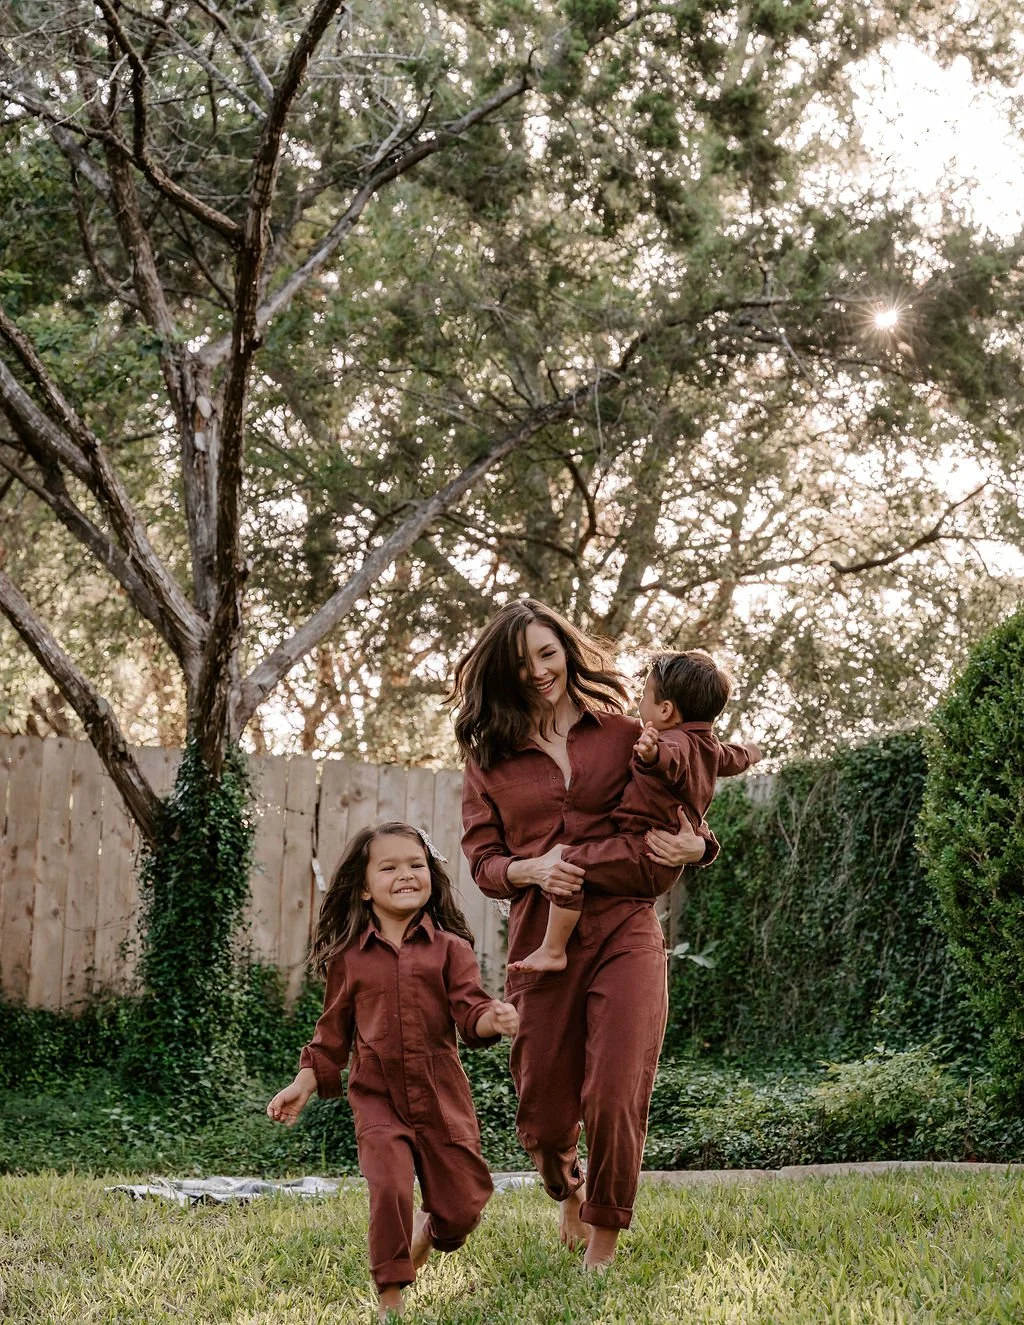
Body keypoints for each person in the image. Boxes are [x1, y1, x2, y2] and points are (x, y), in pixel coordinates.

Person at [451, 599, 713, 1271]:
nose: (539, 671)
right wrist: (530, 866)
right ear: (501, 675)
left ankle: (602, 1241)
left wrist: (697, 848)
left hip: (626, 925)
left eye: (547, 652)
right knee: (541, 1109)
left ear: (566, 650)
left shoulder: (626, 733)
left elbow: (688, 800)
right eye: (522, 662)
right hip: (542, 939)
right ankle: (562, 1183)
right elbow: (481, 861)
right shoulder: (489, 759)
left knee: (616, 1086)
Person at [267, 821, 518, 1321]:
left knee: (463, 1207)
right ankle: (391, 1298)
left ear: (431, 876)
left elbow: (470, 1009)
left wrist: (493, 1017)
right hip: (377, 1094)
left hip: (441, 1095)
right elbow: (332, 1034)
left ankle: (429, 1232)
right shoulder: (349, 958)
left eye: (416, 865)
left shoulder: (451, 949)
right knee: (389, 1187)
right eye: (389, 867)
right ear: (363, 888)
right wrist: (304, 1082)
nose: (406, 874)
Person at [509, 648, 762, 974]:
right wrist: (752, 753)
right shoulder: (712, 748)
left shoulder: (674, 743)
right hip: (655, 858)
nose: (639, 703)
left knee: (566, 861)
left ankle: (553, 949)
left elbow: (672, 762)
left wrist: (652, 753)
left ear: (666, 710)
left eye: (645, 696)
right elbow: (734, 758)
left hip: (642, 851)